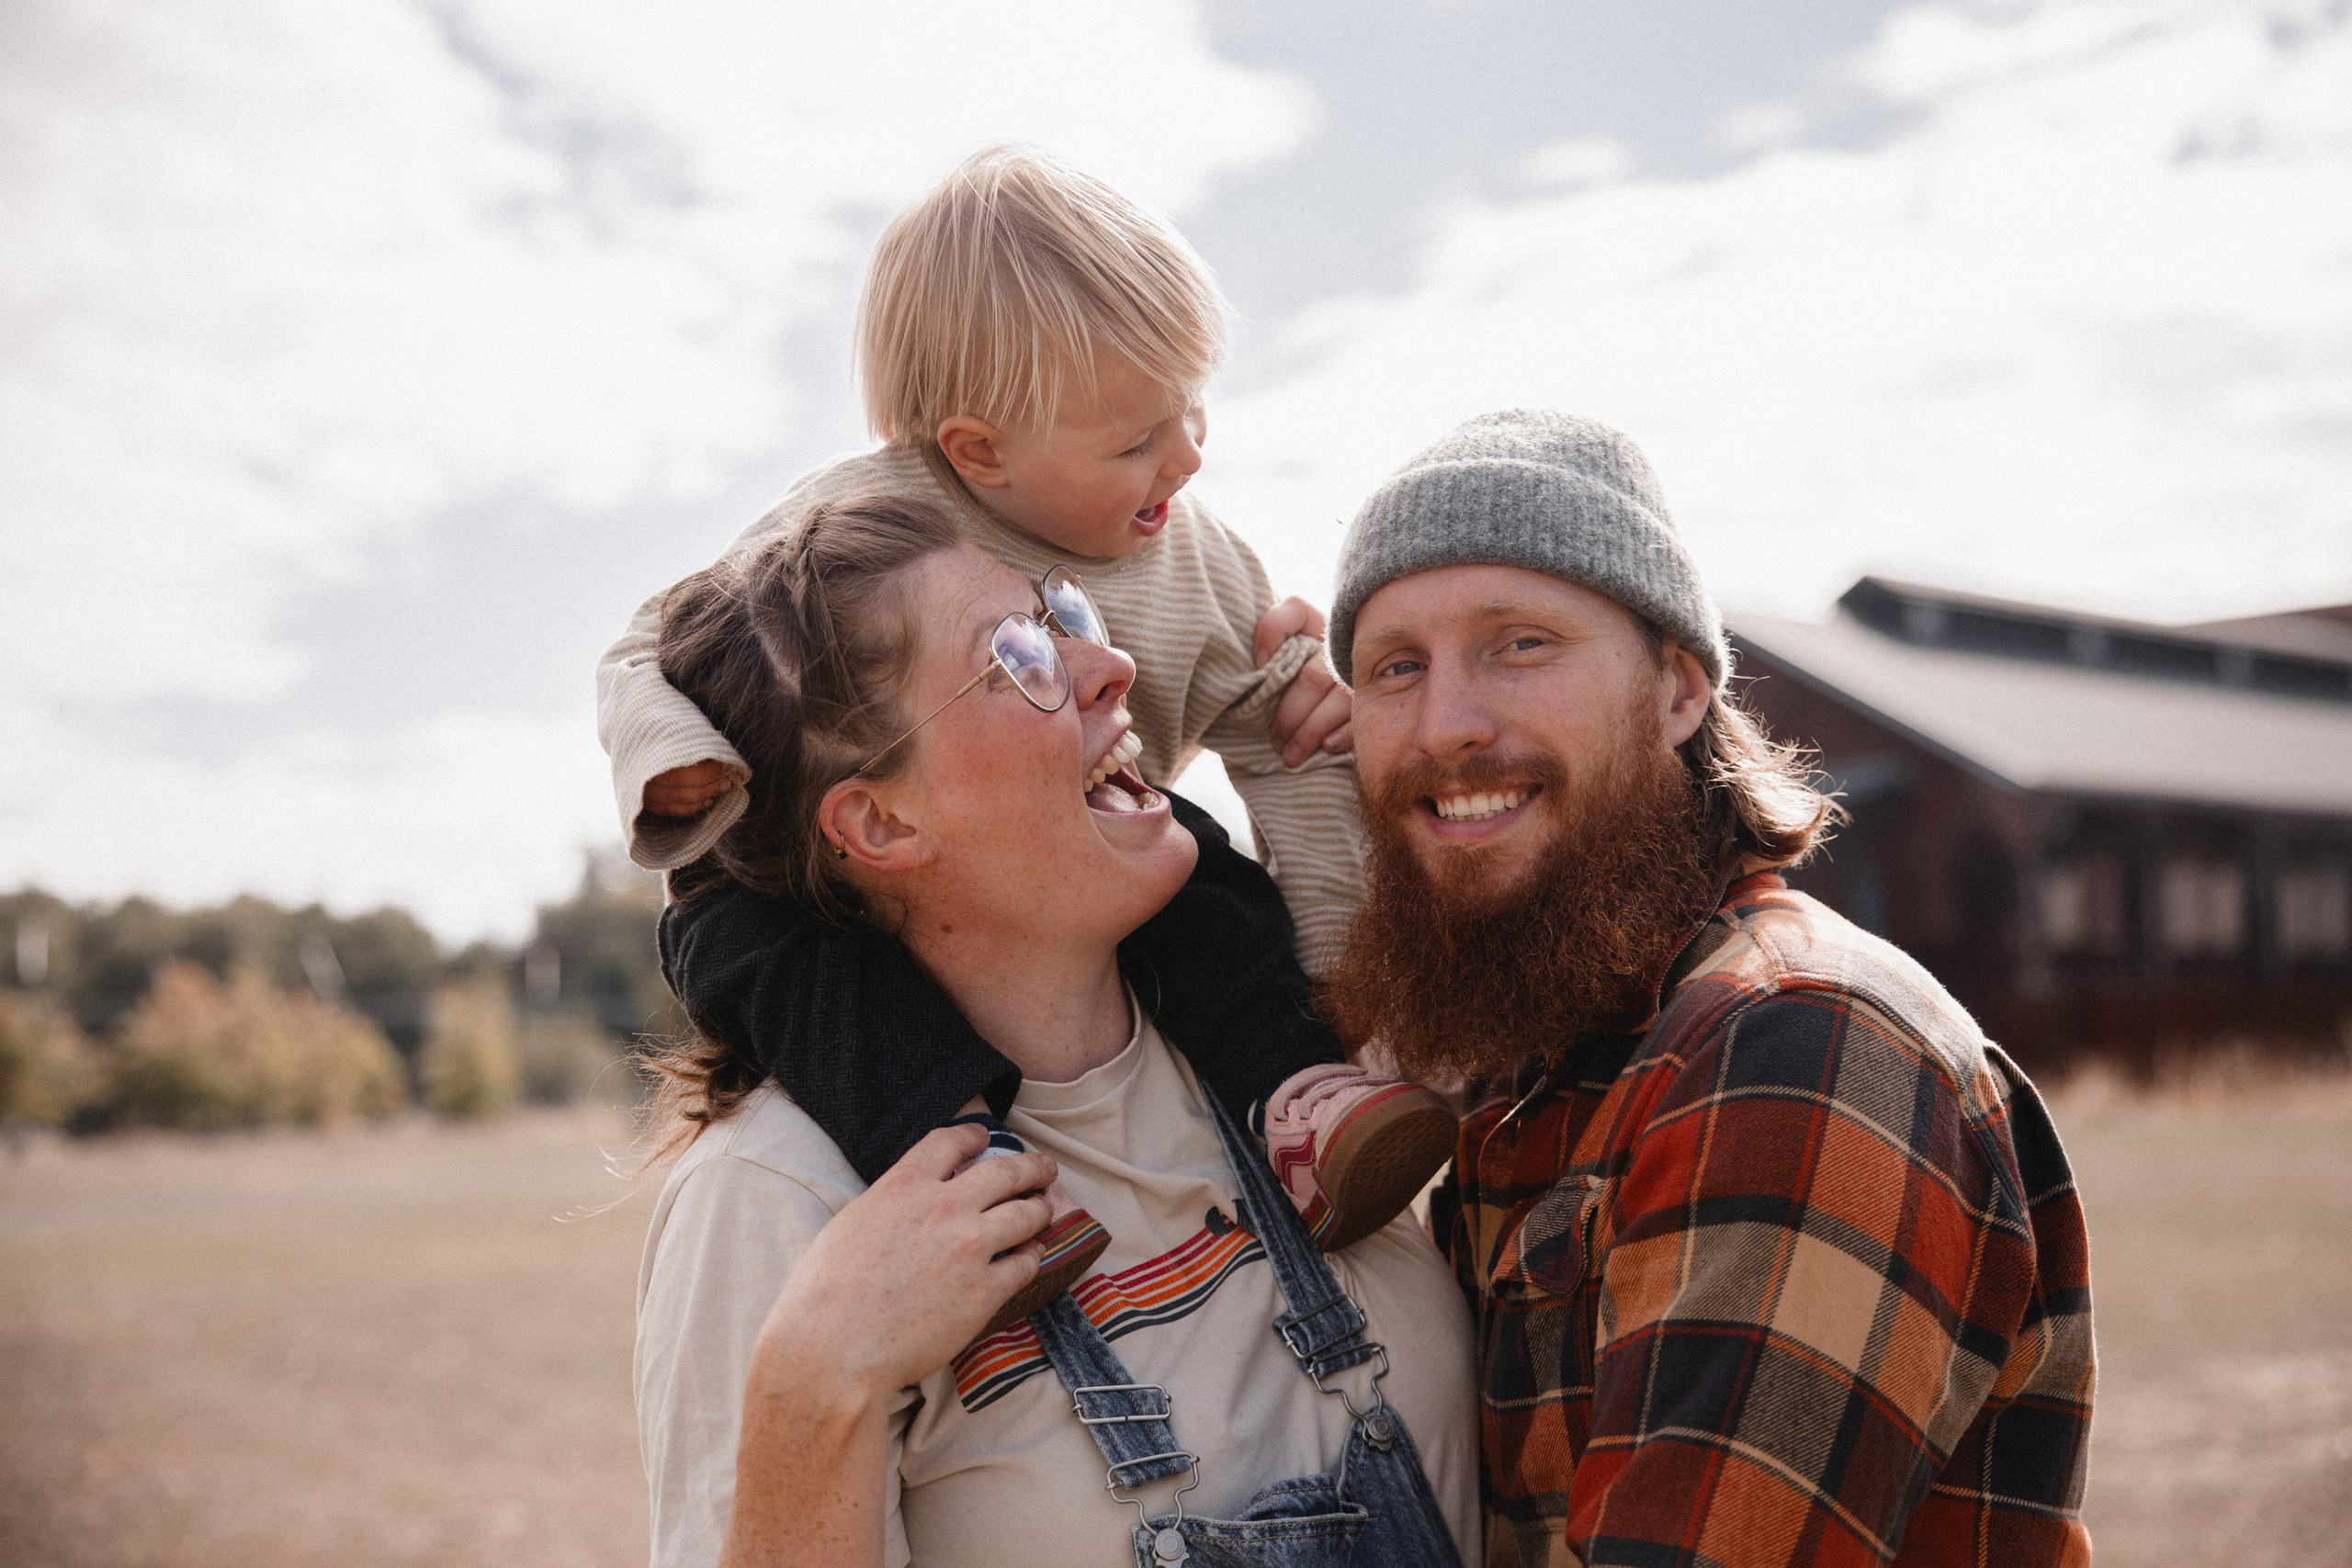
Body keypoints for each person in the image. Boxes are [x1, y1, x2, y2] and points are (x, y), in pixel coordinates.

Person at [597, 146, 1453, 1295]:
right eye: (1136, 441)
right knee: (773, 959)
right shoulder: (858, 525)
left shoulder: (1198, 559)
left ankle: (1297, 1103)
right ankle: (962, 1169)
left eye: (1189, 409)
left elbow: (1280, 739)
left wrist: (1339, 961)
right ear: (976, 453)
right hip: (807, 868)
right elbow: (650, 641)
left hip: (1079, 841)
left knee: (1209, 892)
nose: (1188, 457)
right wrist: (683, 760)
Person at [633, 494, 1480, 1568]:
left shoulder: (1296, 1057)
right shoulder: (780, 1199)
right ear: (882, 822)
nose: (1109, 664)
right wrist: (816, 1387)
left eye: (1067, 614)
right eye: (1020, 657)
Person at [1317, 410, 2097, 1567]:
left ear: (1680, 692)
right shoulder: (1542, 1062)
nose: (1445, 725)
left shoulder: (1798, 1044)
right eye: (1394, 668)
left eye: (1519, 643)